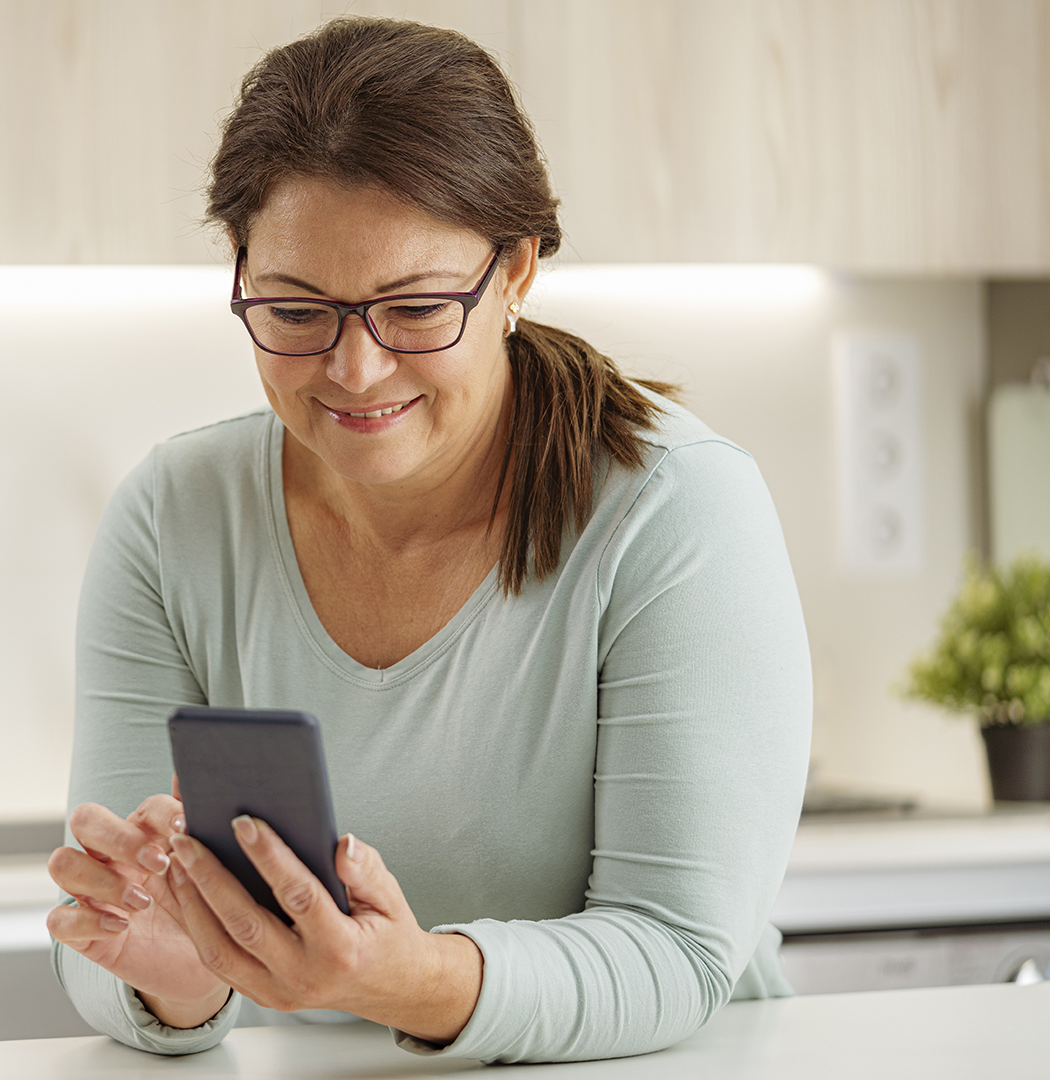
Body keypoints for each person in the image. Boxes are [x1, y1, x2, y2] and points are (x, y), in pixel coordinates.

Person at [44, 16, 812, 1065]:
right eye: (298, 308)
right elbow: (117, 945)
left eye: (413, 308)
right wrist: (174, 980)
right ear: (238, 269)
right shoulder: (173, 517)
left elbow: (676, 952)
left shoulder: (675, 508)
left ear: (517, 274)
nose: (356, 369)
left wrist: (405, 978)